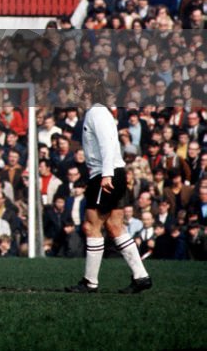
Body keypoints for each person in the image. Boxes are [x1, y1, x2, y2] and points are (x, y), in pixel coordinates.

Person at [65, 73, 152, 294]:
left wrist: (106, 175)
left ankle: (90, 282)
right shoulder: (96, 112)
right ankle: (141, 277)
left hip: (107, 174)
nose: (74, 90)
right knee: (114, 226)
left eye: (78, 87)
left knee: (91, 225)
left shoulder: (97, 112)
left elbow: (107, 144)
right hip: (113, 173)